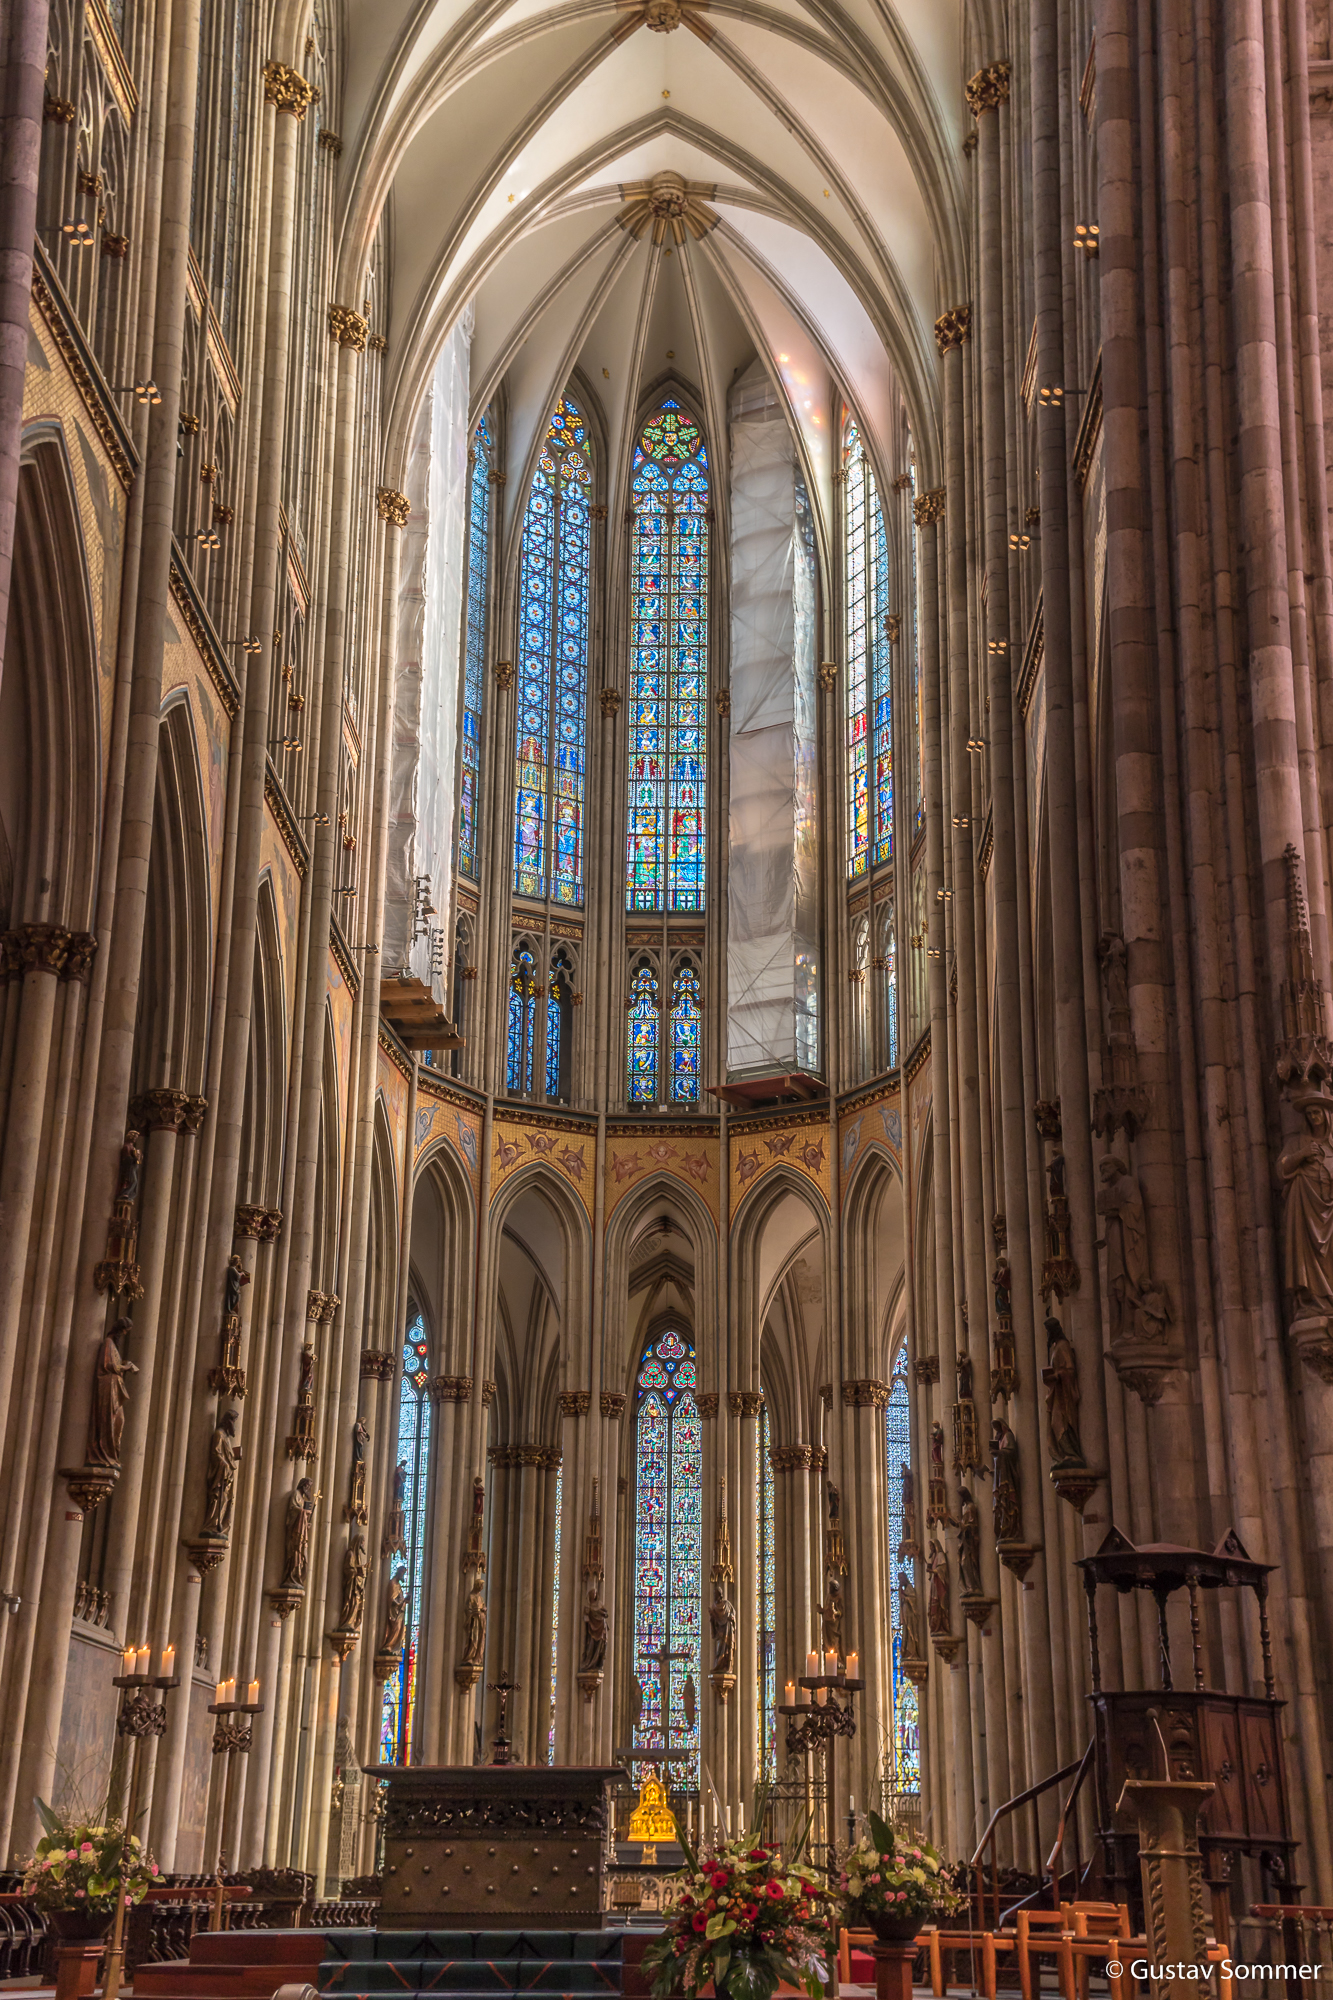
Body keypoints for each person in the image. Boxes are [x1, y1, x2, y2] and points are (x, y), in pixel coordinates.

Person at [87, 1320, 138, 1466]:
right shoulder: (108, 1343)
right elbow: (107, 1365)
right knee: (109, 1420)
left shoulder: (113, 1346)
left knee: (119, 1421)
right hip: (107, 1387)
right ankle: (103, 1455)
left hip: (115, 1387)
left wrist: (124, 1366)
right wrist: (125, 1367)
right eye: (125, 1331)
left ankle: (111, 1455)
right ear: (119, 1329)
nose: (124, 1334)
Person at [203, 1409, 242, 1535]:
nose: (234, 1425)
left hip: (228, 1475)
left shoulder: (226, 1437)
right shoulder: (219, 1434)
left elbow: (226, 1454)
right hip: (221, 1475)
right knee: (219, 1499)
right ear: (227, 1421)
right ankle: (212, 1525)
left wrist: (233, 1456)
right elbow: (216, 1453)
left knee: (227, 1501)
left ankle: (221, 1526)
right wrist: (224, 1464)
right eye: (233, 1421)